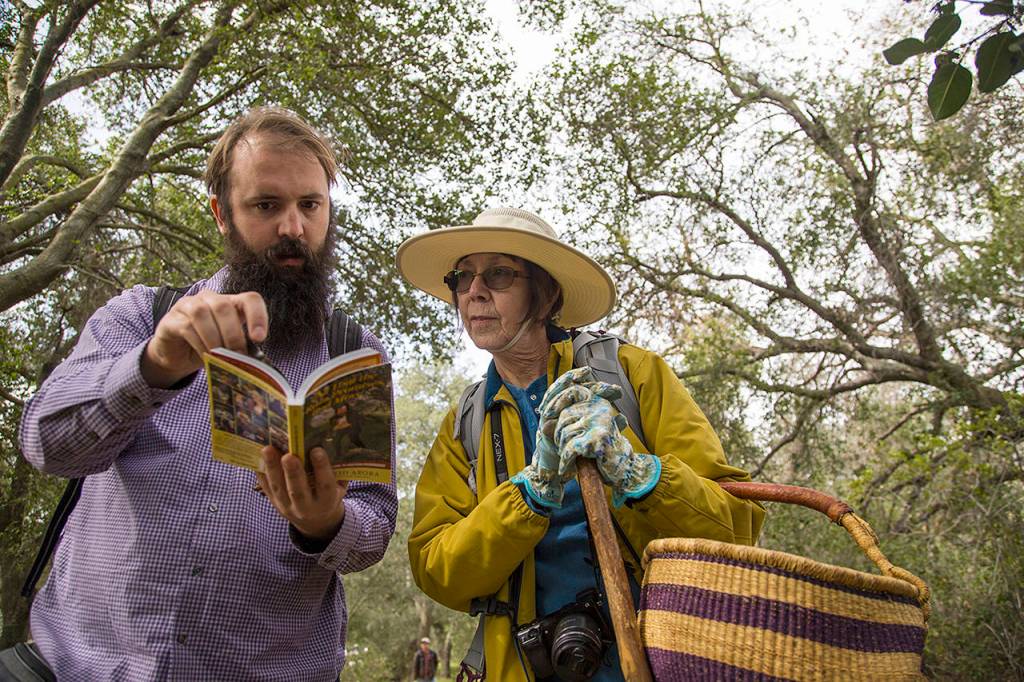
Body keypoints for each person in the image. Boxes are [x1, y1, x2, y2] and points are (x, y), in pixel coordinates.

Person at [18, 107, 397, 680]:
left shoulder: (356, 357)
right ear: (222, 213)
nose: (293, 227)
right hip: (78, 663)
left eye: (310, 206)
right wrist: (153, 367)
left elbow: (373, 531)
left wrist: (326, 522)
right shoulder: (138, 318)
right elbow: (47, 446)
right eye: (266, 205)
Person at [398, 208, 764, 681]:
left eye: (499, 274)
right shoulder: (462, 426)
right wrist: (529, 493)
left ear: (546, 294)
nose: (474, 291)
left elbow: (735, 530)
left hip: (661, 660)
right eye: (462, 277)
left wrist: (640, 474)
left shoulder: (635, 374)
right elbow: (437, 570)